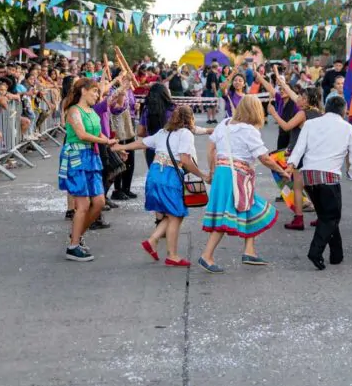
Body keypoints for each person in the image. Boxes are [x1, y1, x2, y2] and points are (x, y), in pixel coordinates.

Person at [198, 96, 289, 274]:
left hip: (222, 174)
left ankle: (249, 251)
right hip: (237, 176)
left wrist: (211, 171)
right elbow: (264, 157)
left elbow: (211, 149)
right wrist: (282, 171)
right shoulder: (249, 130)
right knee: (228, 214)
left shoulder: (224, 123)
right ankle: (206, 255)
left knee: (249, 208)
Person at [114, 106, 211, 267]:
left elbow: (141, 143)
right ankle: (172, 255)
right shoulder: (185, 134)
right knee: (176, 214)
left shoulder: (162, 133)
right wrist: (203, 175)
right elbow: (185, 159)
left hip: (154, 174)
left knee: (173, 213)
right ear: (189, 119)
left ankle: (152, 240)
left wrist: (119, 147)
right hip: (169, 176)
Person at [286, 96, 352, 270]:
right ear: (343, 110)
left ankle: (337, 254)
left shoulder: (311, 124)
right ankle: (315, 251)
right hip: (329, 176)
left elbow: (300, 147)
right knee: (331, 217)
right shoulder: (349, 129)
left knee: (326, 215)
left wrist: (291, 164)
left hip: (308, 175)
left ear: (326, 108)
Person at [59, 78, 117, 262]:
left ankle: (76, 236)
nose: (97, 96)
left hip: (92, 158)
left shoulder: (91, 111)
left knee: (99, 202)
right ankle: (73, 246)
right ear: (83, 91)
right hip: (76, 158)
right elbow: (82, 134)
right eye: (94, 91)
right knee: (82, 205)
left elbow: (98, 132)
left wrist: (113, 144)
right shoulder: (74, 111)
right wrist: (106, 141)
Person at [267, 85, 322, 230]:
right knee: (313, 186)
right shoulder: (319, 113)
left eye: (302, 97)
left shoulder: (303, 114)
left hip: (299, 152)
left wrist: (273, 113)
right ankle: (321, 216)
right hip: (314, 152)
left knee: (298, 187)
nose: (298, 99)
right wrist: (281, 81)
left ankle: (298, 219)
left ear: (308, 100)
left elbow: (286, 126)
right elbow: (291, 94)